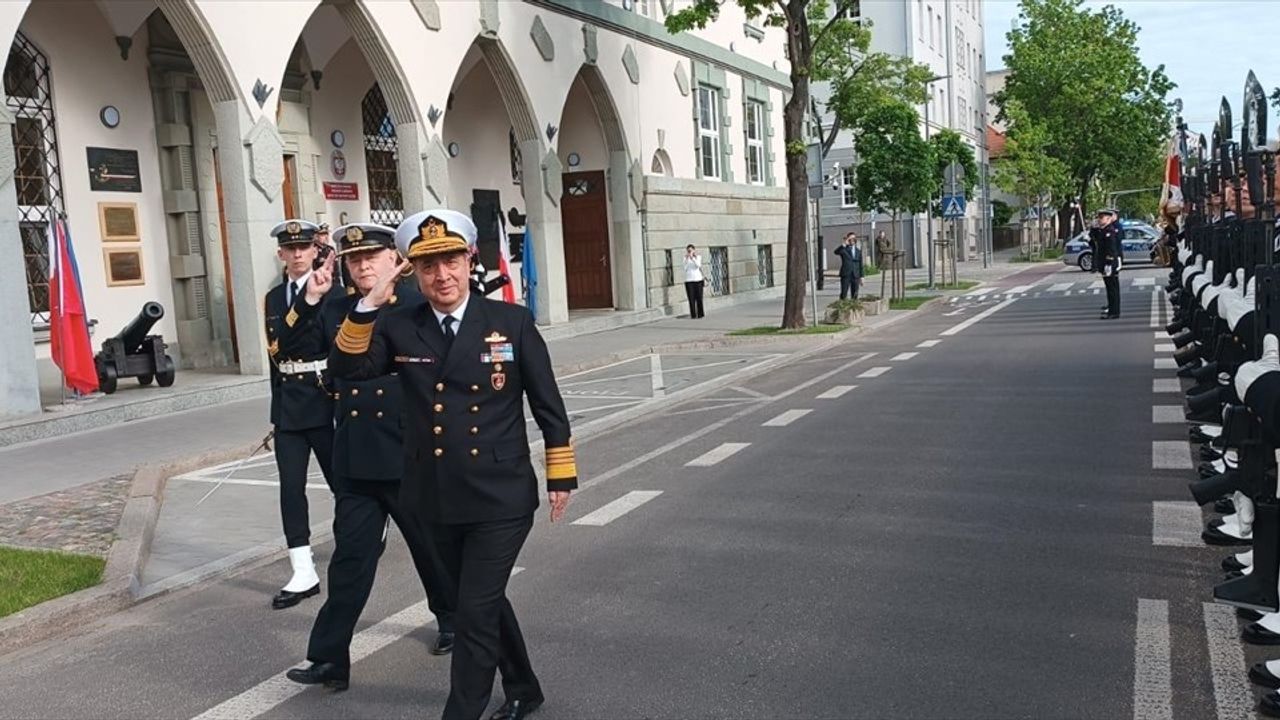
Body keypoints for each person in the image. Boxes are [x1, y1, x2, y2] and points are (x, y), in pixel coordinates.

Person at [328, 209, 578, 720]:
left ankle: (461, 711)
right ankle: (524, 688)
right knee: (479, 600)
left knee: (473, 613)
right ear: (413, 272)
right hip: (434, 496)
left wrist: (560, 472)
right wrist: (372, 301)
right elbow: (349, 369)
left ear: (469, 260)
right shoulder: (400, 325)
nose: (441, 276)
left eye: (450, 262)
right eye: (427, 267)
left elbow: (547, 404)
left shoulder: (510, 322)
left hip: (500, 495)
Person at [284, 223, 456, 691]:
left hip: (407, 453)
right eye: (353, 259)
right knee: (350, 560)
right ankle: (329, 659)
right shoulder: (337, 306)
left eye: (372, 257)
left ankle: (450, 618)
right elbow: (288, 351)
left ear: (393, 261)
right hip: (356, 456)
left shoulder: (418, 306)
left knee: (430, 548)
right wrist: (311, 299)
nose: (362, 266)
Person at [264, 219, 344, 609]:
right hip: (290, 407)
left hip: (324, 397)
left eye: (303, 247)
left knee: (340, 480)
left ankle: (361, 535)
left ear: (316, 251)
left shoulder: (334, 293)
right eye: (289, 248)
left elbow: (339, 352)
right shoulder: (273, 299)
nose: (297, 254)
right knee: (290, 488)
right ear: (281, 254)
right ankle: (302, 568)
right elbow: (274, 358)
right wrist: (275, 411)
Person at [1096, 208, 1122, 319]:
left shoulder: (1109, 231)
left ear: (1109, 219)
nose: (1099, 220)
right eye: (1099, 218)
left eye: (1102, 218)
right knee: (1110, 288)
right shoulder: (1104, 230)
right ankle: (1112, 310)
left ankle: (1114, 312)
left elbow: (1111, 249)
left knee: (1112, 289)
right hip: (1107, 263)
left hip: (1109, 264)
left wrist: (1109, 263)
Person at [834, 233, 864, 300]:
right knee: (844, 293)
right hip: (846, 274)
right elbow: (836, 252)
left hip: (855, 274)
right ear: (848, 239)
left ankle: (854, 307)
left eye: (854, 238)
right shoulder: (844, 249)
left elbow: (860, 264)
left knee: (855, 294)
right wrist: (844, 244)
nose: (852, 240)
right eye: (850, 239)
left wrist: (862, 276)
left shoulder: (858, 251)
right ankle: (843, 307)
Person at [683, 244, 705, 319]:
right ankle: (693, 314)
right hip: (689, 280)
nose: (689, 252)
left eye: (690, 250)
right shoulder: (685, 258)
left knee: (699, 298)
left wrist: (693, 258)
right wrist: (687, 259)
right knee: (691, 298)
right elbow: (685, 268)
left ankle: (700, 314)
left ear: (694, 250)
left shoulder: (698, 257)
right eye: (688, 251)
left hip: (698, 280)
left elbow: (698, 265)